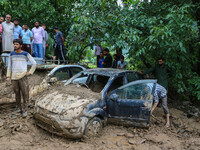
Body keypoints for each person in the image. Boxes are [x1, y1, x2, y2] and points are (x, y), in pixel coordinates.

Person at [6, 39, 36, 117]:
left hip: (23, 77)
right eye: (14, 44)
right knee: (17, 93)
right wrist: (8, 76)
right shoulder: (11, 54)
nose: (15, 46)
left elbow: (34, 63)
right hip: (14, 77)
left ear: (21, 45)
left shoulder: (25, 54)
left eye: (17, 44)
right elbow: (9, 66)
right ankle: (19, 108)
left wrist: (30, 72)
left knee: (25, 93)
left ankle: (25, 109)